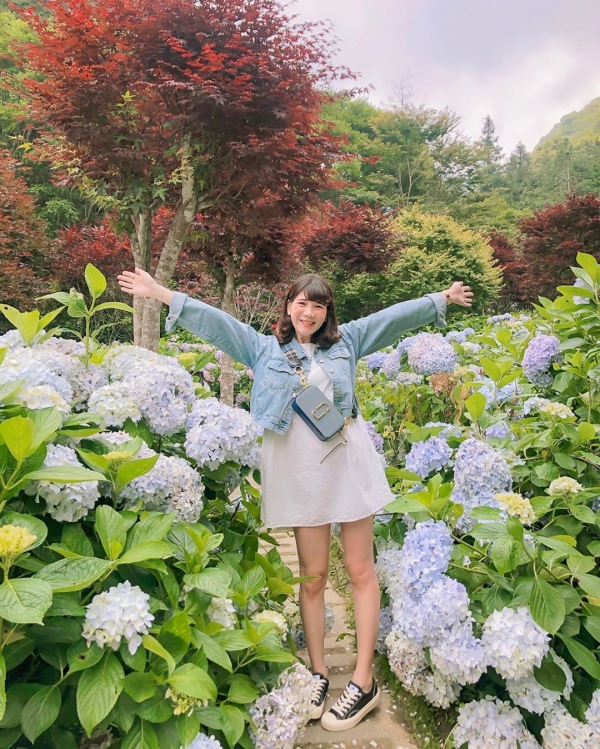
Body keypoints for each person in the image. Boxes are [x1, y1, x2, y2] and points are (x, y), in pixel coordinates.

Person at [117, 268, 473, 732]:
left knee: (360, 571)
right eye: (302, 302)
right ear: (288, 306)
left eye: (318, 305)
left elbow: (391, 319)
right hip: (300, 474)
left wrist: (440, 298)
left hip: (347, 463)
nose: (309, 312)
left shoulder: (347, 343)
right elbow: (216, 322)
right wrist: (160, 293)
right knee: (313, 577)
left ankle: (363, 682)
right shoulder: (262, 348)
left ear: (327, 312)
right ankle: (318, 673)